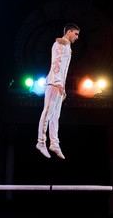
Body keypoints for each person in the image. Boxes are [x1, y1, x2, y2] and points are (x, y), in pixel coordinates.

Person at [36, 23, 80, 159]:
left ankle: (54, 142)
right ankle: (41, 142)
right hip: (53, 84)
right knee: (48, 112)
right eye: (76, 34)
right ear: (69, 32)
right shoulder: (60, 44)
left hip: (59, 86)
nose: (77, 37)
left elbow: (63, 70)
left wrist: (63, 88)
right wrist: (59, 84)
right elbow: (56, 64)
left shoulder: (67, 46)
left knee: (55, 116)